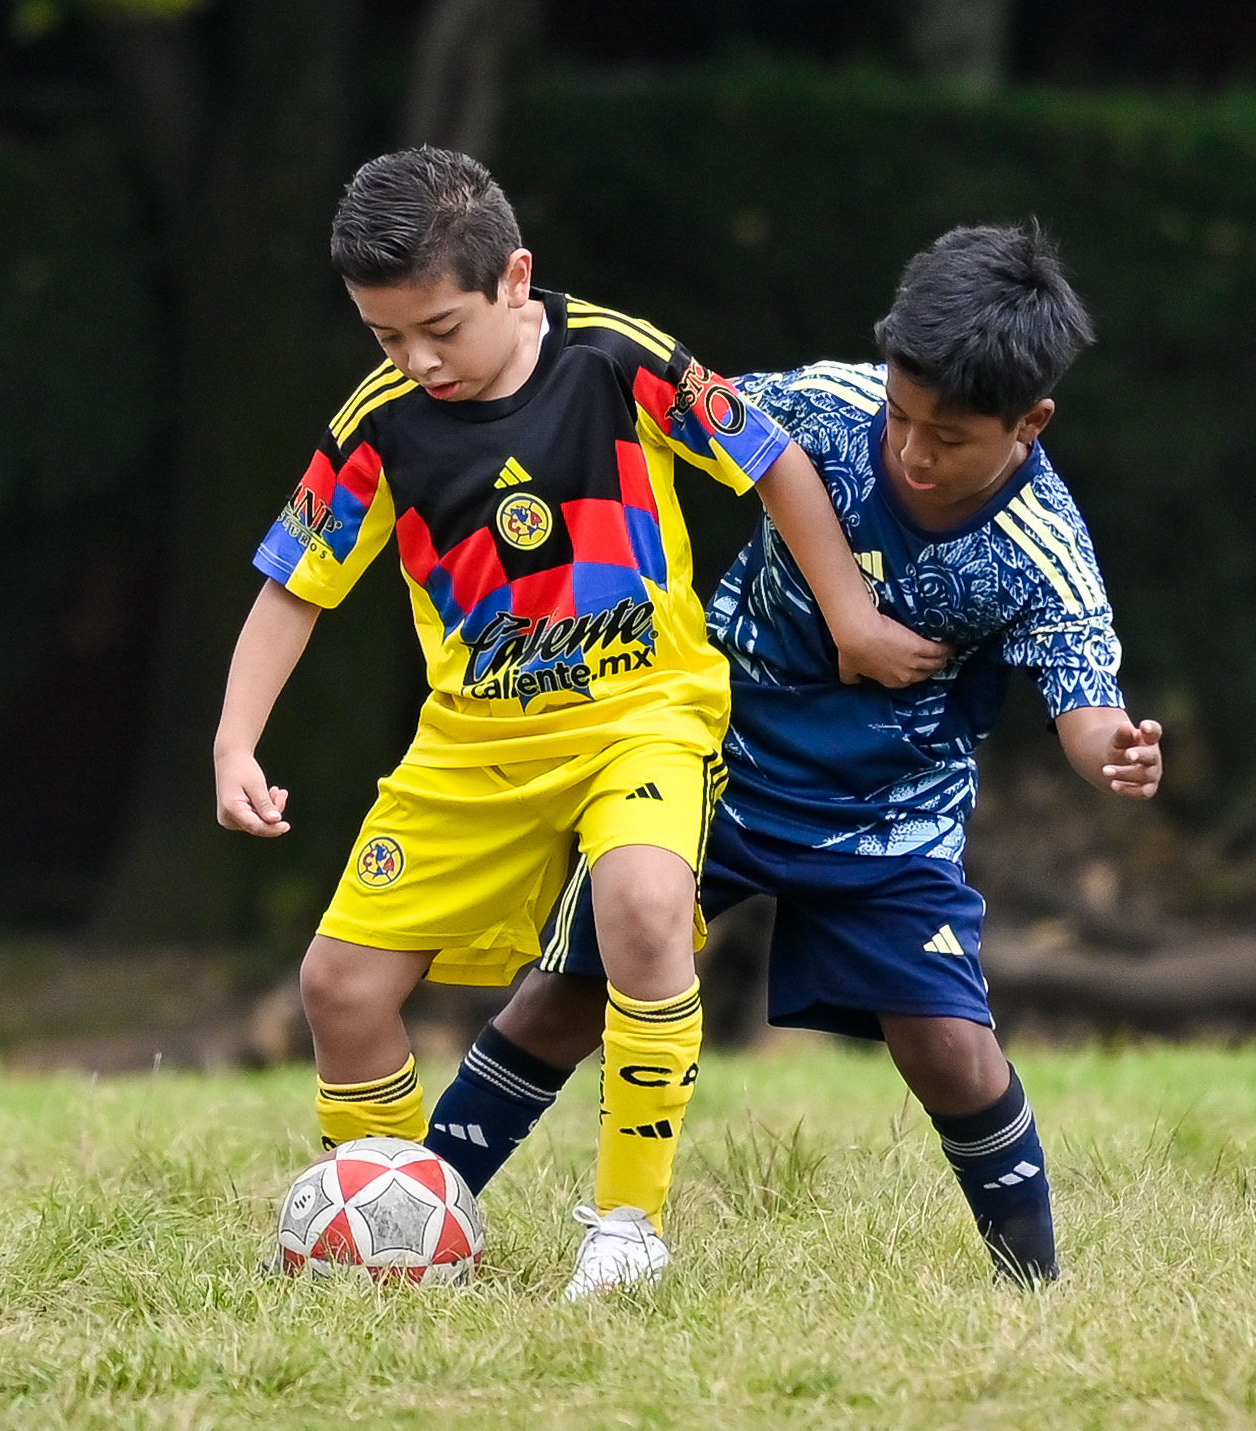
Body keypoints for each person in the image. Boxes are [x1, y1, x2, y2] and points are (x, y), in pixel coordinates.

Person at [214, 147, 945, 1299]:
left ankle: (627, 1229)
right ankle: (394, 1248)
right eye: (384, 338)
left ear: (514, 278)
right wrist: (233, 742)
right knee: (339, 989)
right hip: (472, 747)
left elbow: (773, 460)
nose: (415, 361)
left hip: (641, 717)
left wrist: (850, 618)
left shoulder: (619, 360)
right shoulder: (378, 425)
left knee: (646, 905)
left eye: (439, 330)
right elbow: (294, 586)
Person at [420, 221, 1164, 1286]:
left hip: (887, 811)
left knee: (947, 1047)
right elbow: (674, 415)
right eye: (901, 415)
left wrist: (1113, 751)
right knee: (564, 994)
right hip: (707, 757)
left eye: (949, 438)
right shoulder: (824, 402)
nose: (912, 451)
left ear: (1029, 423)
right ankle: (416, 1213)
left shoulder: (1041, 547)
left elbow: (1084, 698)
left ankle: (1034, 1285)